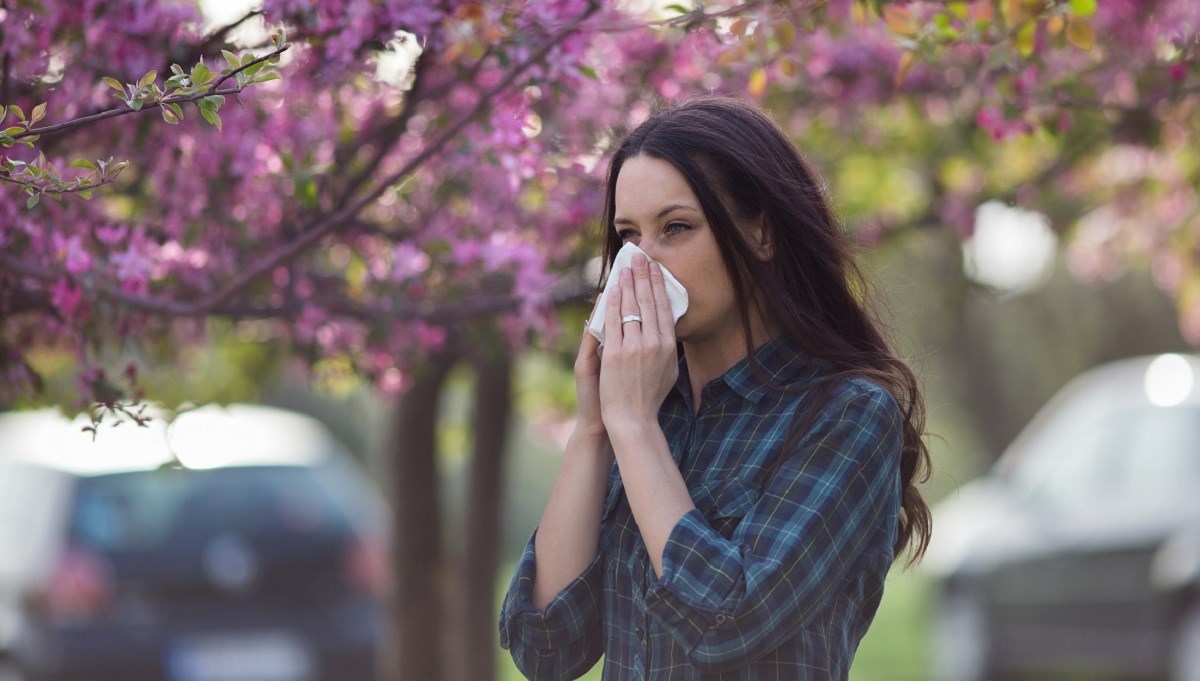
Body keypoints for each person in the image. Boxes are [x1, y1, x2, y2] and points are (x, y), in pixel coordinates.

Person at [499, 95, 932, 680]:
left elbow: (730, 621)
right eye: (628, 237)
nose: (641, 267)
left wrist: (634, 429)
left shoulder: (845, 413)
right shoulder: (647, 414)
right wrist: (595, 429)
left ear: (761, 233)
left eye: (676, 228)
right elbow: (546, 650)